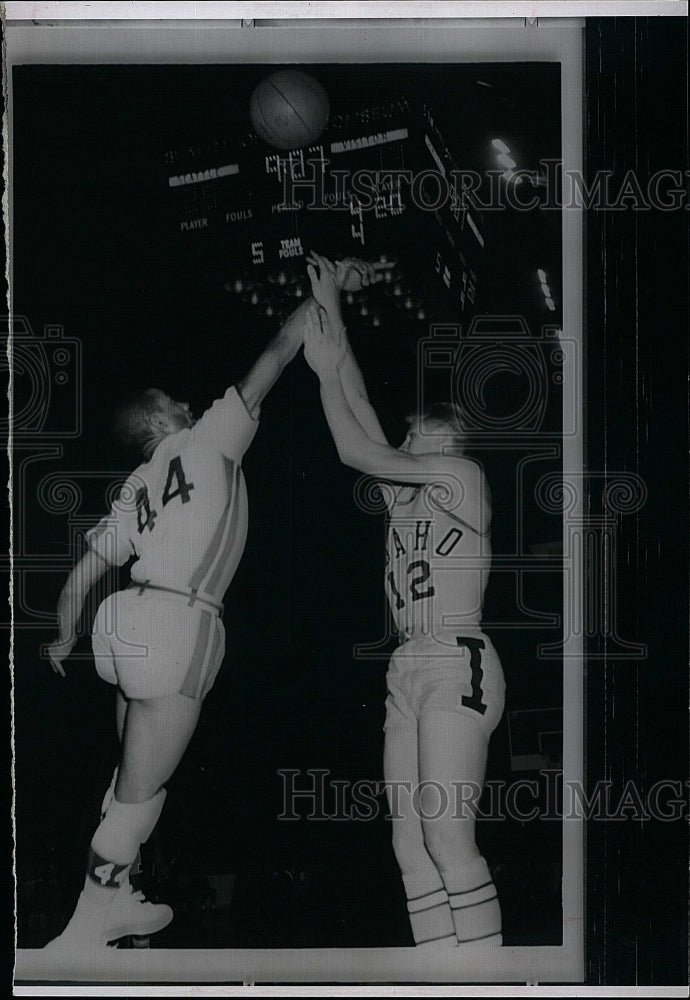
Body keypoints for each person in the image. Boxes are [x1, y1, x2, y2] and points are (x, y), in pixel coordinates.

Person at [42, 258, 390, 956]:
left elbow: (79, 581)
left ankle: (122, 899)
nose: (188, 403)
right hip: (179, 621)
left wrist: (61, 639)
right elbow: (282, 346)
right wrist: (332, 289)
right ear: (162, 420)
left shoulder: (132, 490)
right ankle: (85, 927)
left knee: (133, 780)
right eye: (176, 401)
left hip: (121, 623)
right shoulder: (209, 438)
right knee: (141, 794)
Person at [302, 253, 506, 950]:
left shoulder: (461, 478)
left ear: (449, 444)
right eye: (412, 434)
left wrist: (324, 371)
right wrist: (330, 301)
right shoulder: (408, 495)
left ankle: (490, 985)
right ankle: (443, 977)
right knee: (411, 851)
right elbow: (358, 404)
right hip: (406, 670)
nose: (409, 436)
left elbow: (357, 449)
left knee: (449, 838)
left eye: (422, 433)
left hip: (458, 659)